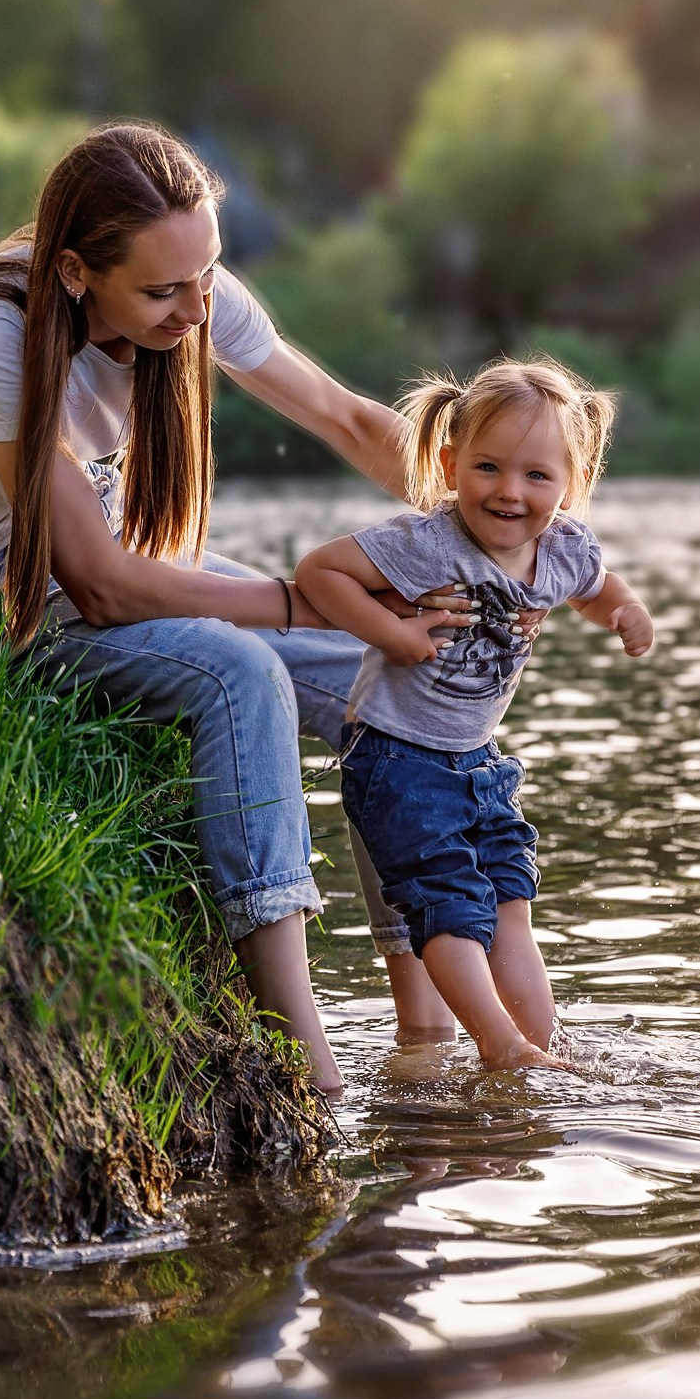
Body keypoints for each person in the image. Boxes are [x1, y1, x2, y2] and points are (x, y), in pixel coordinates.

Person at [0, 121, 482, 1097]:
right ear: (79, 273)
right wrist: (304, 601)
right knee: (239, 671)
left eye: (206, 275)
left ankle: (424, 1037)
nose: (197, 308)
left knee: (380, 675)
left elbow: (347, 418)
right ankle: (305, 1061)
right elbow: (95, 581)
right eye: (164, 291)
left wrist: (498, 537)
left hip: (119, 557)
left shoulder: (189, 288)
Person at [295, 358, 655, 1071]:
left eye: (537, 475)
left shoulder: (562, 548)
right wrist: (393, 632)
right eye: (488, 467)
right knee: (450, 905)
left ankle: (544, 1048)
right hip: (397, 757)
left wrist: (625, 611)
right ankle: (497, 1041)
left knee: (509, 901)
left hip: (480, 763)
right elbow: (320, 572)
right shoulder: (429, 543)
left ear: (572, 483)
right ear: (450, 464)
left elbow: (595, 587)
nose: (510, 491)